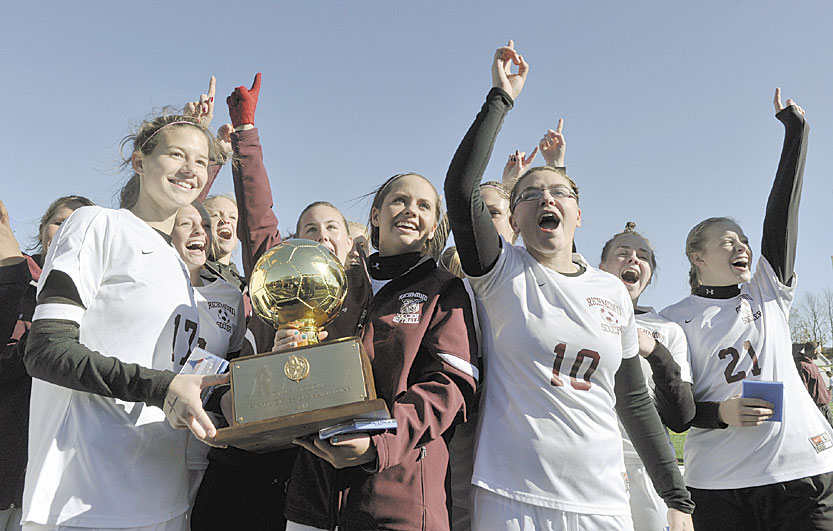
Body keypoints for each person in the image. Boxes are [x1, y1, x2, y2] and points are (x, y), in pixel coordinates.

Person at [443, 40, 693, 530]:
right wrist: (500, 98)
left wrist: (676, 498)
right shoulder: (500, 271)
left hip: (601, 503)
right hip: (510, 498)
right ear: (513, 218)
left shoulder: (611, 292)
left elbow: (634, 399)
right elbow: (460, 187)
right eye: (529, 195)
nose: (545, 199)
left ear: (579, 214)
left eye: (559, 192)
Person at [21, 108, 228, 530]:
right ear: (138, 161)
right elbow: (45, 350)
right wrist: (161, 387)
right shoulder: (97, 224)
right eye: (175, 155)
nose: (191, 169)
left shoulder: (178, 264)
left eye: (202, 161)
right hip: (83, 501)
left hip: (165, 500)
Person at [660, 89, 833, 530]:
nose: (742, 246)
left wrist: (796, 133)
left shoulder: (767, 291)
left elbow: (781, 216)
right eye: (727, 240)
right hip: (721, 483)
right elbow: (674, 411)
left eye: (743, 239)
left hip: (803, 470)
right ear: (697, 257)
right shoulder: (673, 318)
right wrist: (720, 414)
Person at [281, 171, 478, 531]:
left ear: (434, 226)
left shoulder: (443, 291)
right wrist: (288, 357)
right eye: (399, 200)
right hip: (312, 498)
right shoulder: (335, 287)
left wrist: (379, 445)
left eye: (423, 206)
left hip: (395, 503)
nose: (410, 211)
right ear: (376, 215)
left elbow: (450, 386)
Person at [0, 196, 95, 531]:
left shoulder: (95, 298)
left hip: (54, 480)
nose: (65, 232)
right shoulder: (10, 277)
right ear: (42, 229)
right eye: (59, 222)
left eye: (77, 226)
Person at [599, 222, 695, 530]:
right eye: (622, 253)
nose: (633, 260)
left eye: (643, 256)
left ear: (650, 273)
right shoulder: (582, 314)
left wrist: (656, 352)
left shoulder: (669, 331)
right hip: (592, 461)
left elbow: (681, 417)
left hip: (648, 467)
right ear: (601, 266)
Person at [169, 201, 245, 524]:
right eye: (186, 224)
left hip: (201, 442)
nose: (199, 230)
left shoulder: (231, 296)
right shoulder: (146, 286)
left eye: (205, 225)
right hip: (147, 435)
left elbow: (234, 363)